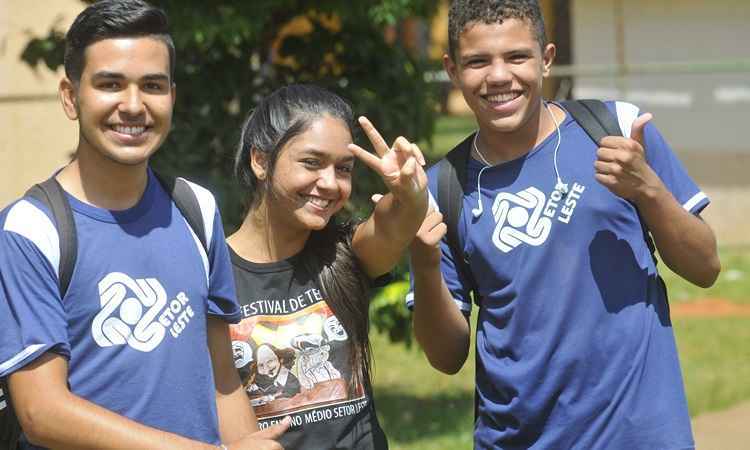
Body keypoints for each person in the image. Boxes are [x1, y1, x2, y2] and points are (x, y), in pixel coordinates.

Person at [408, 1, 721, 449]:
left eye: (517, 56)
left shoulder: (616, 131)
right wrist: (422, 260)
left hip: (640, 436)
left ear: (547, 58)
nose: (499, 76)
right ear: (452, 71)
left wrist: (647, 189)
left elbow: (706, 267)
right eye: (478, 61)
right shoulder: (442, 188)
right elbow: (445, 357)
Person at [0, 1, 287, 449]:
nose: (133, 106)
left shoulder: (197, 208)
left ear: (172, 95)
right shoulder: (30, 231)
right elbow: (42, 412)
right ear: (70, 96)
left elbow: (220, 377)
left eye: (152, 86)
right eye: (110, 84)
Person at [227, 84, 428, 449]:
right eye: (312, 162)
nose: (330, 183)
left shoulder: (344, 254)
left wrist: (411, 193)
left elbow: (393, 222)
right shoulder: (211, 274)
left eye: (344, 168)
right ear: (260, 161)